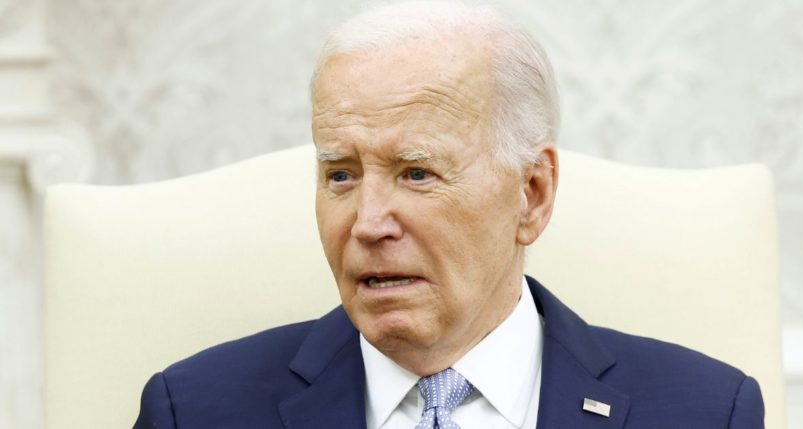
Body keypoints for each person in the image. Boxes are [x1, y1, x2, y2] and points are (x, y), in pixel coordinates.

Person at [134, 2, 764, 428]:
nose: (367, 223)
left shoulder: (707, 410)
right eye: (341, 175)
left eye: (417, 173)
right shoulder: (193, 410)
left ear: (533, 194)